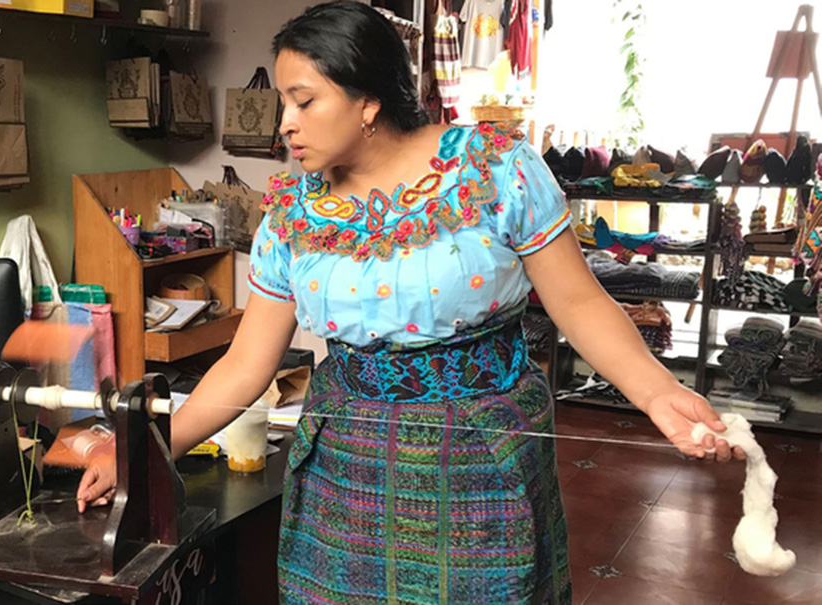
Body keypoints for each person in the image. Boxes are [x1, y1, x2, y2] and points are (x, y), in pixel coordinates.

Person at [78, 3, 746, 603]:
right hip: (347, 462)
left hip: (481, 455)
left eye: (304, 101)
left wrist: (658, 394)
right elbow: (246, 364)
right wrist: (140, 451)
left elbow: (580, 304)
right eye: (284, 102)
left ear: (366, 101)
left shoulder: (496, 170)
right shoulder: (292, 213)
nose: (285, 125)